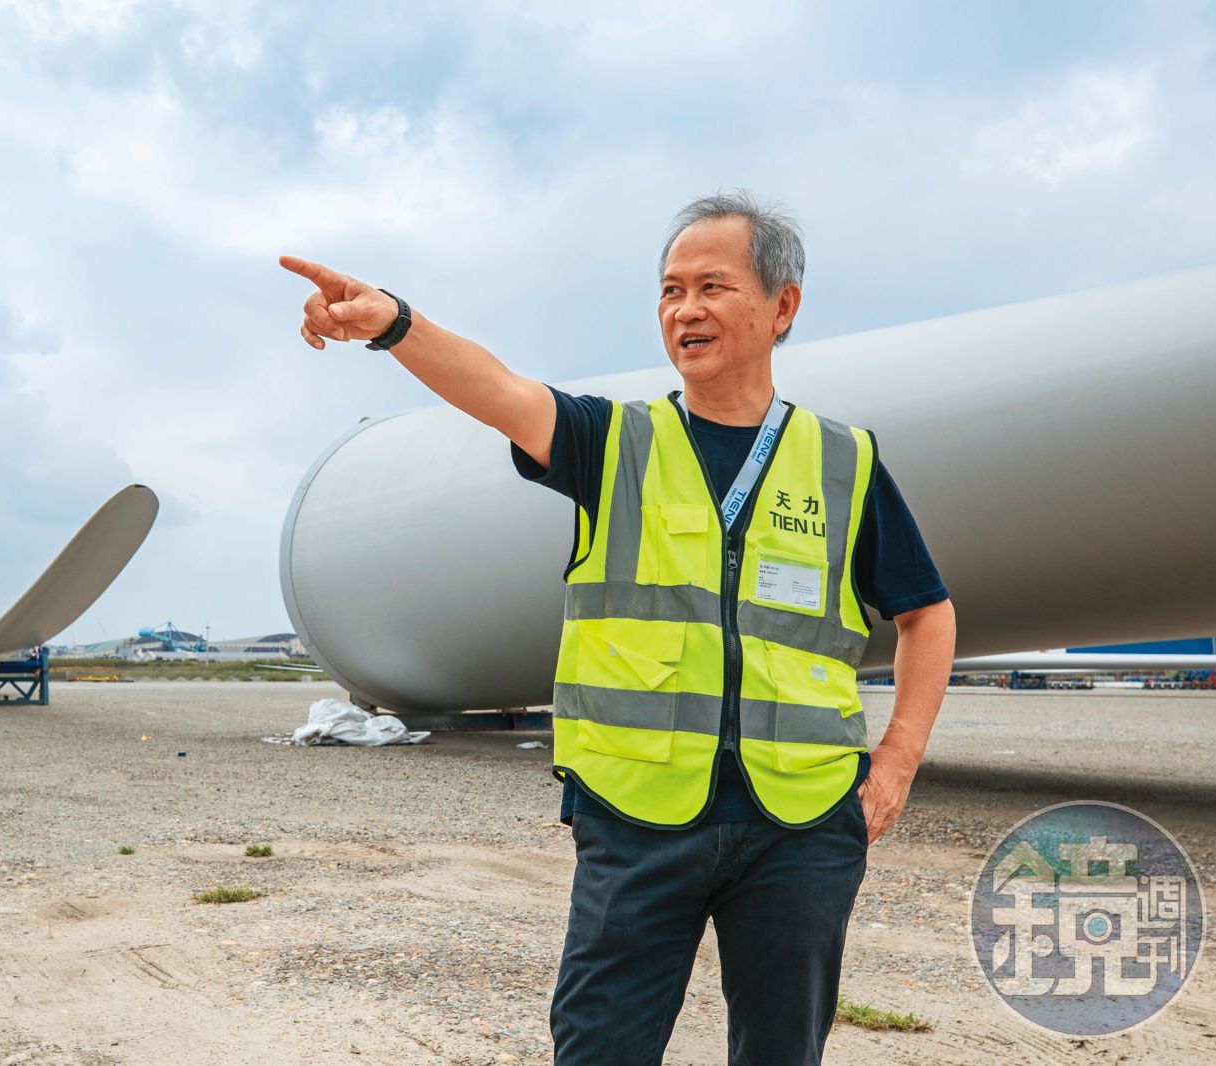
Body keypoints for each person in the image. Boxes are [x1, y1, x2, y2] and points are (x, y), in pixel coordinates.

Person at [281, 189, 957, 1066]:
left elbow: (926, 612)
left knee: (784, 1051)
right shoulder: (614, 441)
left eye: (713, 286)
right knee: (601, 1047)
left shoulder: (843, 462)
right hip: (639, 816)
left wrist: (897, 760)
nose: (686, 309)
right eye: (670, 291)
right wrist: (395, 324)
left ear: (782, 306)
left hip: (800, 820)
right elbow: (498, 391)